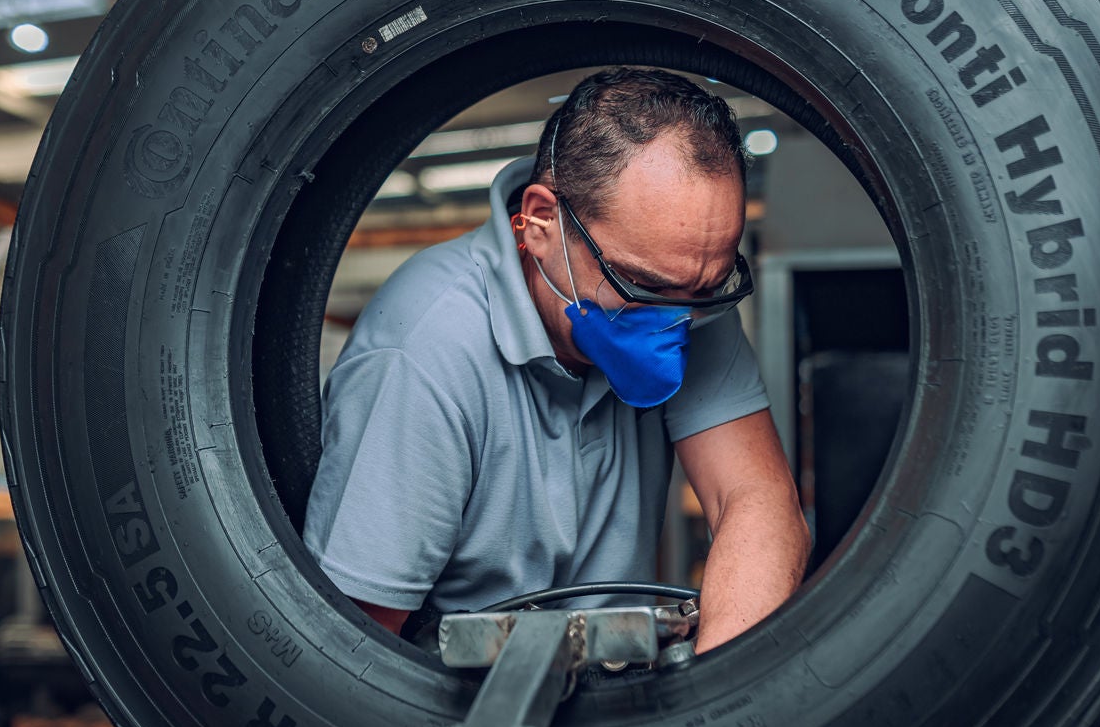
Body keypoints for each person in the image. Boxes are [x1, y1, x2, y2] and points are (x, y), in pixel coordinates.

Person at [304, 67, 808, 653]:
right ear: (540, 220)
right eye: (641, 285)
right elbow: (353, 651)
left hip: (622, 685)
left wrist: (721, 702)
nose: (676, 322)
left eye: (707, 289)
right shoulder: (425, 351)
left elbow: (756, 502)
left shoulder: (687, 297)